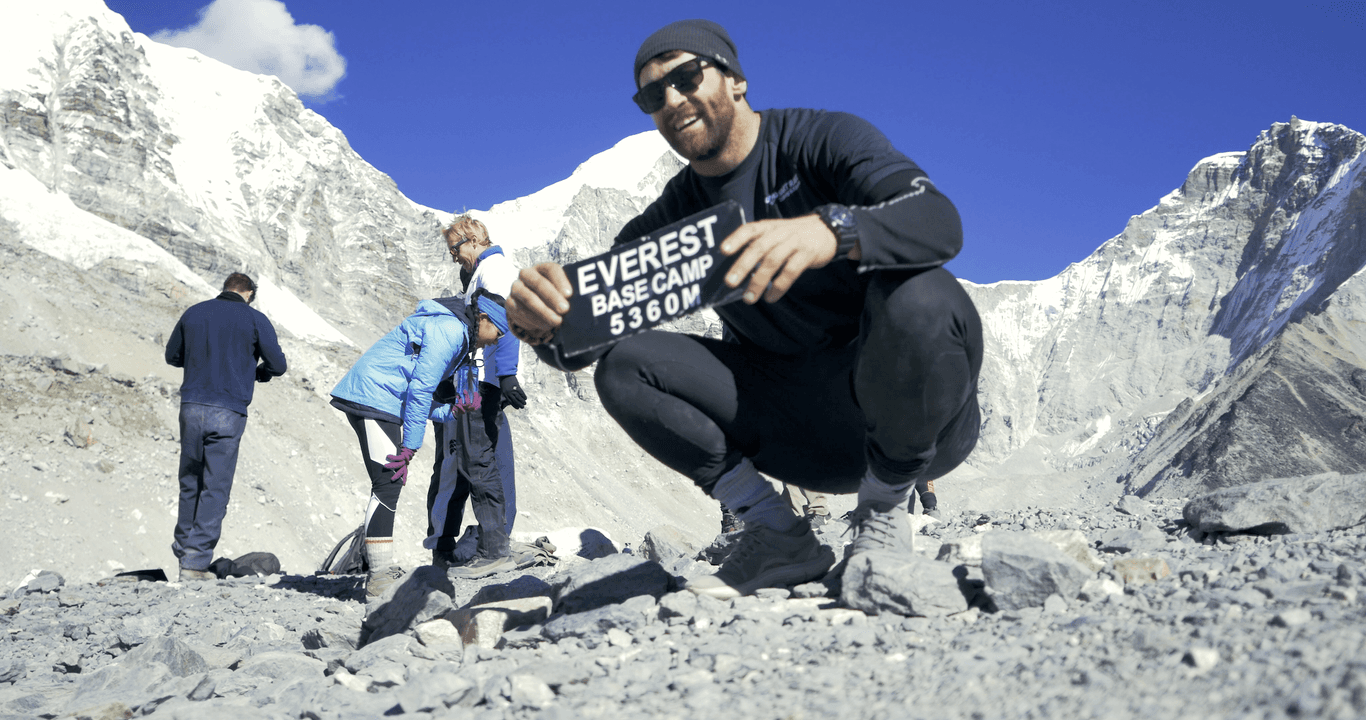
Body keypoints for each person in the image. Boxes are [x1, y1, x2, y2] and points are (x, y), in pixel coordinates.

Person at [507, 19, 983, 601]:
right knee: (624, 364)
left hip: (920, 428)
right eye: (652, 95)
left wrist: (832, 231)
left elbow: (937, 221)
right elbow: (576, 345)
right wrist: (539, 325)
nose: (672, 101)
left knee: (924, 296)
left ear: (735, 80)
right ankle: (776, 533)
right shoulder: (671, 222)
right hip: (805, 437)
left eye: (686, 77)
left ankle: (882, 515)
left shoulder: (821, 141)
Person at [330, 291, 509, 598]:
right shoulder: (450, 331)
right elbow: (420, 390)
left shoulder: (460, 337)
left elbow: (418, 395)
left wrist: (452, 411)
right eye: (498, 332)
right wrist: (410, 448)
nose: (496, 341)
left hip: (384, 400)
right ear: (483, 319)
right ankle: (378, 576)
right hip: (372, 396)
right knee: (388, 482)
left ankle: (380, 571)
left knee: (388, 482)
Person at [165, 273, 287, 582]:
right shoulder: (255, 319)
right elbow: (278, 365)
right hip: (228, 410)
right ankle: (194, 564)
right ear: (248, 293)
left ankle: (184, 551)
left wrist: (200, 362)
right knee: (215, 487)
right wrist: (258, 373)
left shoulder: (194, 312)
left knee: (190, 480)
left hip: (191, 407)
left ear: (225, 288)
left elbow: (172, 356)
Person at [425, 216, 529, 578]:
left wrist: (507, 374)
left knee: (476, 464)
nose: (455, 257)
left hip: (479, 382)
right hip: (477, 380)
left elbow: (507, 316)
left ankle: (492, 549)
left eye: (455, 249)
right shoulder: (483, 273)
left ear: (471, 241)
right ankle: (487, 545)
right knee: (476, 462)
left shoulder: (493, 269)